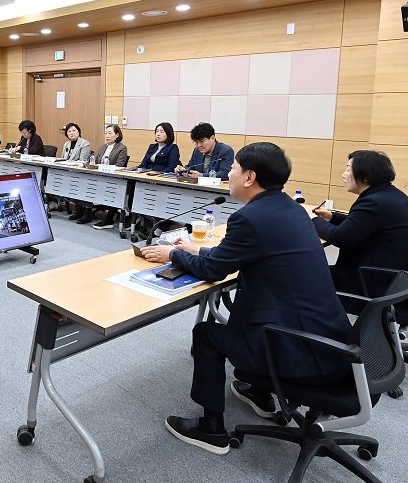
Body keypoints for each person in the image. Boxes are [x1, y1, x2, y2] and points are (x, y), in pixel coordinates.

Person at [141, 142, 351, 455]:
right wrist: (196, 250)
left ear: (250, 177)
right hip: (326, 335)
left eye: (234, 168)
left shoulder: (249, 218)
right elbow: (242, 253)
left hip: (297, 347)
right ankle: (261, 393)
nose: (229, 173)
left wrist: (172, 253)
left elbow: (214, 271)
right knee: (240, 317)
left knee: (207, 334)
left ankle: (211, 428)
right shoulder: (291, 209)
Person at [312, 150, 408, 313]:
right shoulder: (388, 195)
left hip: (374, 284)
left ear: (365, 177)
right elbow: (363, 226)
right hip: (396, 280)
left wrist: (311, 220)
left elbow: (340, 237)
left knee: (305, 276)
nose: (343, 175)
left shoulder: (374, 202)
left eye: (348, 169)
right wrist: (333, 217)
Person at [92, 124, 129, 229]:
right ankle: (84, 212)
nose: (107, 135)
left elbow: (120, 165)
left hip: (113, 178)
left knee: (112, 190)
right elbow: (95, 161)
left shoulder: (122, 148)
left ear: (117, 135)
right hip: (99, 175)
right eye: (106, 133)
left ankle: (109, 219)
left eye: (110, 133)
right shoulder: (103, 147)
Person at [60, 122, 93, 223]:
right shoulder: (66, 144)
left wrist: (69, 163)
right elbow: (62, 158)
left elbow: (83, 160)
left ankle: (87, 212)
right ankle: (79, 210)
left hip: (81, 173)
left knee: (79, 184)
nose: (71, 133)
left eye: (74, 130)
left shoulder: (84, 143)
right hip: (69, 171)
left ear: (79, 132)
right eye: (69, 131)